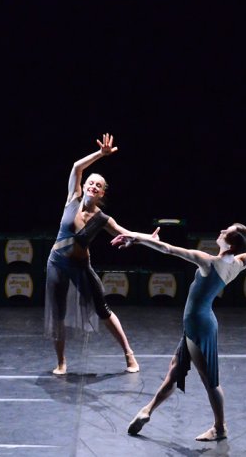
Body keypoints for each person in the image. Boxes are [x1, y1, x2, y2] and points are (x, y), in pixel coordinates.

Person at [116, 214, 246, 441]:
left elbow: (168, 249)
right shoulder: (240, 262)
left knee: (208, 380)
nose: (221, 231)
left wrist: (136, 237)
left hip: (199, 326)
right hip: (200, 323)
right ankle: (148, 410)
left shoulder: (208, 262)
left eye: (226, 231)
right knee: (176, 369)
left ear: (229, 243)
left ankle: (220, 428)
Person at [45, 134, 153, 375]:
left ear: (102, 193)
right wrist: (101, 155)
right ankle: (61, 362)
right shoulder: (71, 200)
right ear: (84, 186)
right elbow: (76, 166)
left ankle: (129, 355)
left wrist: (149, 238)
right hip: (57, 264)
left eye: (99, 186)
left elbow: (126, 232)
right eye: (91, 183)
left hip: (81, 267)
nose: (93, 186)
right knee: (57, 313)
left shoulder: (102, 219)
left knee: (103, 309)